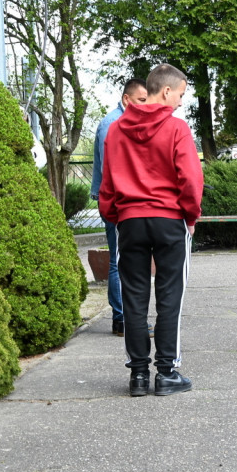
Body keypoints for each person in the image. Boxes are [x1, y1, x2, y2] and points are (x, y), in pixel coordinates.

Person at [99, 64, 203, 397]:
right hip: (169, 219)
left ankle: (139, 376)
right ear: (167, 91)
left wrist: (115, 214)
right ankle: (167, 373)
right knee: (171, 296)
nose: (181, 103)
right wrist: (190, 216)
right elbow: (190, 178)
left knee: (134, 297)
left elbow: (108, 180)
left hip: (130, 221)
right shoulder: (176, 129)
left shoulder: (116, 130)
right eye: (181, 95)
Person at [90, 78, 148, 336]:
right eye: (141, 101)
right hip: (115, 203)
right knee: (117, 261)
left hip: (126, 203)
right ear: (127, 100)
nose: (145, 106)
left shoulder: (128, 121)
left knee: (128, 260)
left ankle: (129, 319)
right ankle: (121, 320)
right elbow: (109, 171)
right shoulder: (111, 124)